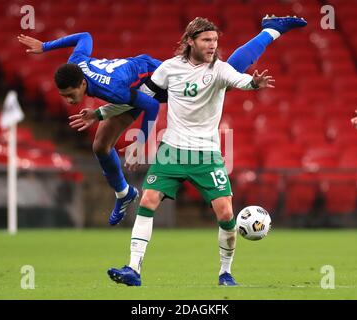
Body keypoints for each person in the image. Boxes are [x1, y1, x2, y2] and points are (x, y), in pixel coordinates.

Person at [18, 15, 306, 227]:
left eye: (71, 95)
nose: (68, 101)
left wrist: (141, 143)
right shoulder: (77, 64)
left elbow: (149, 105)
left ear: (81, 83)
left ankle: (271, 30)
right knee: (101, 145)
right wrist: (45, 46)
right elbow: (84, 37)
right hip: (135, 85)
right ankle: (124, 193)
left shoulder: (112, 89)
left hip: (156, 84)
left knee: (226, 75)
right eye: (65, 97)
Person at [107, 16, 307, 287]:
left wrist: (253, 83)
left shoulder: (220, 69)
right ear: (190, 41)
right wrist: (105, 116)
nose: (213, 45)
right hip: (172, 151)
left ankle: (225, 273)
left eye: (215, 40)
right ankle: (133, 269)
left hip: (206, 154)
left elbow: (240, 79)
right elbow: (141, 97)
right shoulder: (169, 68)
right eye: (206, 40)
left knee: (225, 214)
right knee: (147, 201)